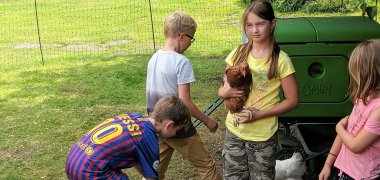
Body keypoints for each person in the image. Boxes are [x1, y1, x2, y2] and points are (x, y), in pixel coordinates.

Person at [218, 0, 298, 179]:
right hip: (234, 130)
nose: (254, 30)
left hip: (262, 136)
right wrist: (223, 93)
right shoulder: (238, 53)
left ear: (272, 24)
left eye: (260, 24)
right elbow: (223, 88)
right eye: (249, 25)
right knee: (233, 176)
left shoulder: (281, 60)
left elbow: (292, 100)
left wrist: (260, 114)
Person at [145, 11, 221, 180]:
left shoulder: (154, 58)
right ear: (181, 36)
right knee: (207, 166)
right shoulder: (181, 62)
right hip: (177, 126)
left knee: (154, 170)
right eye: (191, 39)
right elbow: (184, 102)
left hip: (157, 124)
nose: (190, 44)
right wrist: (207, 120)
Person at [65, 96, 192, 180]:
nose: (176, 134)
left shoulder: (135, 117)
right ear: (169, 125)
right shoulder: (149, 140)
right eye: (177, 130)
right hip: (90, 171)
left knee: (122, 176)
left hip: (74, 158)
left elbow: (138, 161)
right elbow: (152, 178)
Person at [319, 39, 380, 180]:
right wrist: (328, 164)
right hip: (347, 170)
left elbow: (355, 145)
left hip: (364, 176)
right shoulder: (364, 97)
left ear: (367, 74)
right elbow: (347, 131)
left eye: (356, 72)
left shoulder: (378, 109)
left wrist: (338, 127)